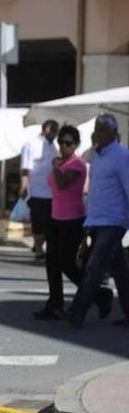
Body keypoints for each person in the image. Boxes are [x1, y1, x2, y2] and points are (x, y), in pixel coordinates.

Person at [34, 125, 112, 320]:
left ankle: (100, 295)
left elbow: (61, 183)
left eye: (68, 143)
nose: (63, 146)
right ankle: (55, 304)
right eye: (61, 142)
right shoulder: (60, 163)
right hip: (55, 217)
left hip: (73, 219)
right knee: (52, 263)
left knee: (67, 264)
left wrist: (55, 167)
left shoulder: (77, 164)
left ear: (76, 144)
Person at [64, 114, 129, 328]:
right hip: (97, 219)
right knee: (119, 268)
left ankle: (76, 312)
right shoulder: (97, 156)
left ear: (113, 133)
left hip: (113, 220)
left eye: (102, 129)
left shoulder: (121, 156)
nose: (97, 133)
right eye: (96, 129)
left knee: (95, 267)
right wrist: (89, 219)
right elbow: (96, 190)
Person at [19, 120, 60, 260]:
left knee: (50, 222)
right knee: (38, 222)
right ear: (47, 129)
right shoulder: (31, 144)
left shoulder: (54, 147)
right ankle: (38, 249)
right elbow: (25, 168)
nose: (55, 134)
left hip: (52, 192)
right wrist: (23, 186)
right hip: (36, 190)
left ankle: (41, 247)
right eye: (54, 130)